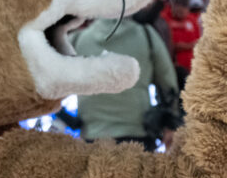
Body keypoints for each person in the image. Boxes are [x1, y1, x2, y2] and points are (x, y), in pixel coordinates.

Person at [71, 12, 179, 151]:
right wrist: (170, 124)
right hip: (138, 134)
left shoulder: (78, 39)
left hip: (91, 135)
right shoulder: (147, 35)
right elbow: (168, 83)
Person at [164, 0, 201, 91]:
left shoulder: (192, 20)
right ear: (174, 7)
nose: (181, 14)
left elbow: (197, 42)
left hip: (190, 67)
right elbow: (168, 45)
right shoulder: (165, 18)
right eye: (178, 11)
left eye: (183, 12)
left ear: (188, 10)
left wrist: (183, 46)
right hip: (172, 67)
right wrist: (187, 45)